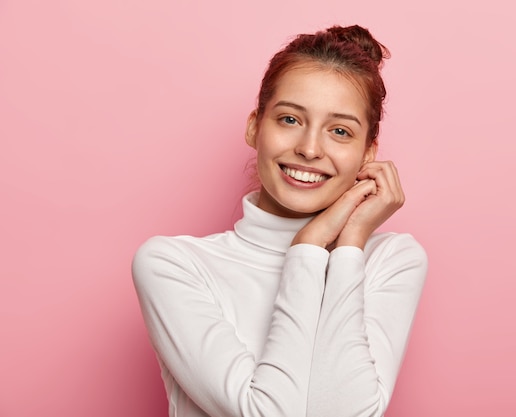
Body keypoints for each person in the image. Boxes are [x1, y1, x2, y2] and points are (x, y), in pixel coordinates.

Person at [132, 24, 427, 417]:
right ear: (255, 126)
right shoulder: (172, 265)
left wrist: (348, 243)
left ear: (368, 153)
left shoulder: (391, 259)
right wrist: (309, 245)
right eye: (290, 120)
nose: (308, 148)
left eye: (339, 131)